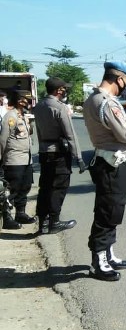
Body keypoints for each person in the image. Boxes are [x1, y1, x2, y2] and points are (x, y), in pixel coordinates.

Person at [83, 61, 126, 281]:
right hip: (114, 165)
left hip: (109, 163)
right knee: (108, 212)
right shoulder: (107, 103)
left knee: (112, 210)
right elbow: (125, 135)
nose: (125, 86)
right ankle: (98, 261)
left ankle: (108, 253)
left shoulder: (92, 99)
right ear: (119, 79)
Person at [32, 77, 86, 234]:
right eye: (64, 89)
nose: (65, 91)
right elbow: (70, 134)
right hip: (59, 153)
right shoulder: (59, 107)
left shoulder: (39, 106)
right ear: (58, 91)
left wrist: (43, 148)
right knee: (59, 187)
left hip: (45, 152)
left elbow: (40, 132)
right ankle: (54, 222)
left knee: (45, 187)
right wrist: (79, 157)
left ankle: (43, 222)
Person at [0, 90, 36, 229]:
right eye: (27, 100)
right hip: (14, 160)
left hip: (26, 159)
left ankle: (20, 213)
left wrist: (31, 120)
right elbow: (3, 139)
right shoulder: (11, 116)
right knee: (12, 189)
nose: (29, 102)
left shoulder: (23, 116)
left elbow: (29, 133)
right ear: (20, 100)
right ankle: (7, 217)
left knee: (25, 187)